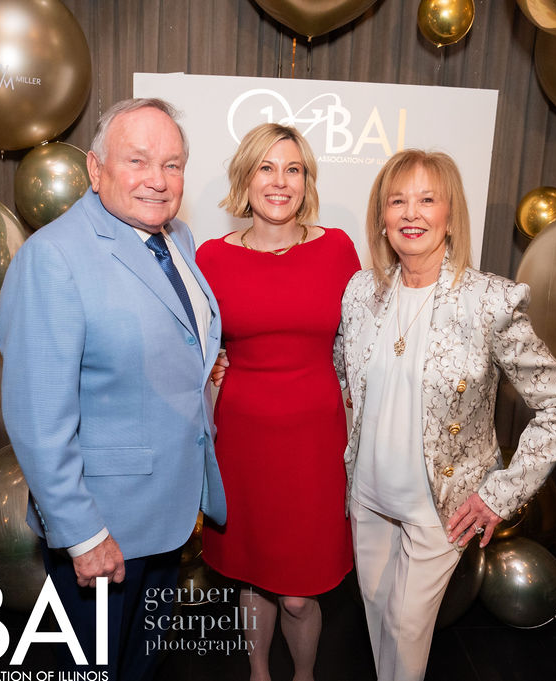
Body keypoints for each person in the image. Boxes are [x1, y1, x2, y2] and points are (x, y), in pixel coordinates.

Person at [0, 98, 226, 679]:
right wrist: (81, 535)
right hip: (105, 527)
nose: (158, 180)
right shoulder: (53, 257)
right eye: (139, 161)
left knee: (139, 667)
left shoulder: (179, 239)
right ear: (96, 170)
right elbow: (36, 415)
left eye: (173, 164)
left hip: (165, 513)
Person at [337, 149, 556, 681]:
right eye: (397, 200)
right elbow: (344, 374)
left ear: (451, 214)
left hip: (441, 505)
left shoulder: (488, 301)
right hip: (367, 496)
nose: (411, 213)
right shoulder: (360, 293)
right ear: (381, 217)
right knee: (377, 617)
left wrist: (500, 492)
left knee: (406, 629)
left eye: (428, 199)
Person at [195, 123, 361, 681]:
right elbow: (190, 344)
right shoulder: (211, 257)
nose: (280, 181)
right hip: (243, 439)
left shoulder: (338, 248)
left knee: (297, 593)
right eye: (266, 167)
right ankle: (259, 672)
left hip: (315, 442)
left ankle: (305, 676)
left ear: (306, 181)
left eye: (292, 169)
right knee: (251, 571)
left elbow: (362, 342)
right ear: (246, 178)